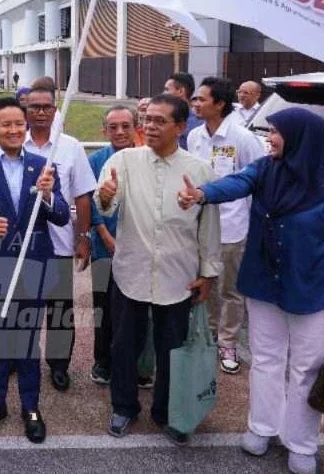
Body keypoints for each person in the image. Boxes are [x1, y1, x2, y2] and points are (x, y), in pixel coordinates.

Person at [178, 107, 324, 474]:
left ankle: (300, 442)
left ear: (301, 137)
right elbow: (237, 182)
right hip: (265, 282)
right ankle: (262, 427)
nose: (270, 138)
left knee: (307, 368)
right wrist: (203, 194)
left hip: (318, 290)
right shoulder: (266, 169)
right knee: (265, 360)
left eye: (277, 132)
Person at [95, 93, 221, 445]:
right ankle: (123, 406)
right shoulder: (125, 160)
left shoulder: (199, 170)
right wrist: (105, 196)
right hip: (130, 272)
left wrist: (208, 273)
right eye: (147, 119)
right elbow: (106, 208)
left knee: (172, 348)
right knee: (124, 346)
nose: (149, 126)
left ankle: (167, 412)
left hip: (178, 276)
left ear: (180, 127)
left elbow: (208, 226)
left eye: (159, 121)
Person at [0, 97, 70, 443]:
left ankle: (30, 406)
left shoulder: (43, 166)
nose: (13, 130)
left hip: (34, 266)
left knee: (27, 338)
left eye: (18, 124)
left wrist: (50, 195)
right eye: (5, 124)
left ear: (26, 128)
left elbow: (62, 215)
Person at [22, 85, 96, 394]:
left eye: (46, 107)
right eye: (34, 106)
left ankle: (59, 364)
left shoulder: (71, 147)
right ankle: (20, 358)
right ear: (25, 109)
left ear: (55, 110)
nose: (40, 111)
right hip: (22, 245)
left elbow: (81, 196)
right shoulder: (14, 143)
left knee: (59, 310)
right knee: (22, 306)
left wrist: (82, 237)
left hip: (60, 243)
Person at [187, 77, 264, 375]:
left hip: (232, 226)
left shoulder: (244, 139)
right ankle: (206, 337)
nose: (195, 104)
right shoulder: (195, 136)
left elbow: (258, 179)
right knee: (203, 283)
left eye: (201, 99)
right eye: (194, 99)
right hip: (198, 225)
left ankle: (227, 341)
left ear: (219, 104)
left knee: (229, 289)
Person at [86, 105, 139, 386]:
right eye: (113, 127)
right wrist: (105, 237)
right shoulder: (96, 160)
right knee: (104, 308)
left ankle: (137, 363)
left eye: (125, 126)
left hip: (139, 249)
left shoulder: (146, 157)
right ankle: (102, 361)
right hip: (103, 248)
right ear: (104, 130)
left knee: (137, 308)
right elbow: (90, 203)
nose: (119, 132)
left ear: (135, 127)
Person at [164, 72, 204, 149]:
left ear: (181, 91)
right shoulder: (165, 118)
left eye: (167, 89)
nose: (164, 93)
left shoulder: (198, 124)